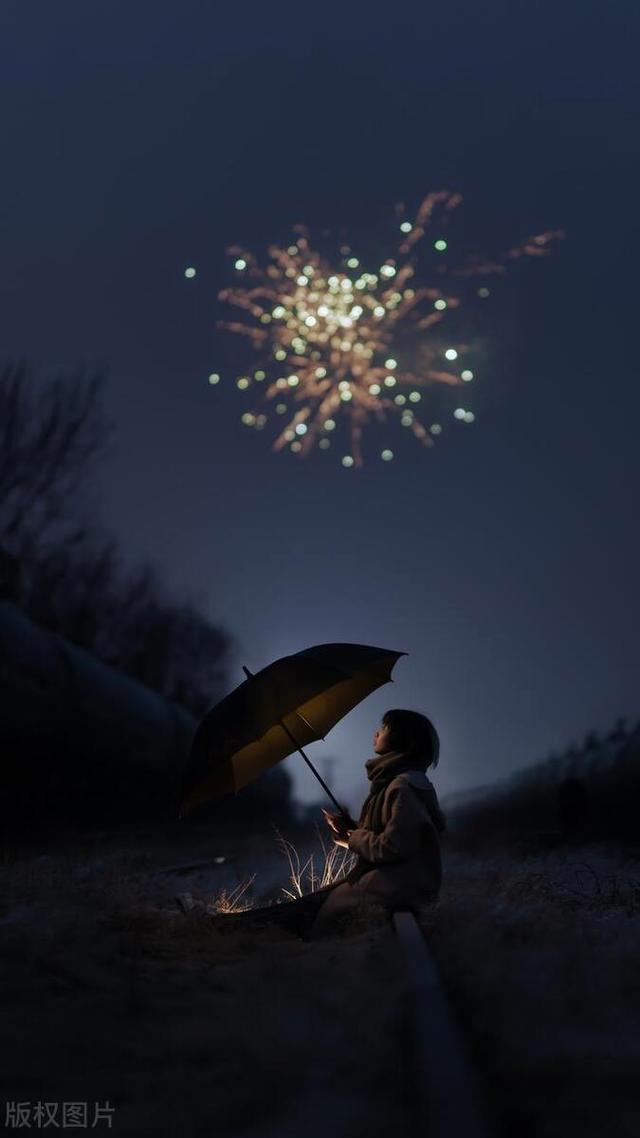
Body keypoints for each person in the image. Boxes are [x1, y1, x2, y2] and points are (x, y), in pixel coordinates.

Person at [308, 708, 446, 939]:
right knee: (321, 900)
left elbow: (392, 846)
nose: (376, 733)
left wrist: (352, 837)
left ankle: (324, 959)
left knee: (326, 911)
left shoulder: (402, 788)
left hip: (403, 884)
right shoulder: (394, 783)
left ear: (402, 738)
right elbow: (387, 835)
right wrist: (348, 830)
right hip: (399, 878)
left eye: (384, 729)